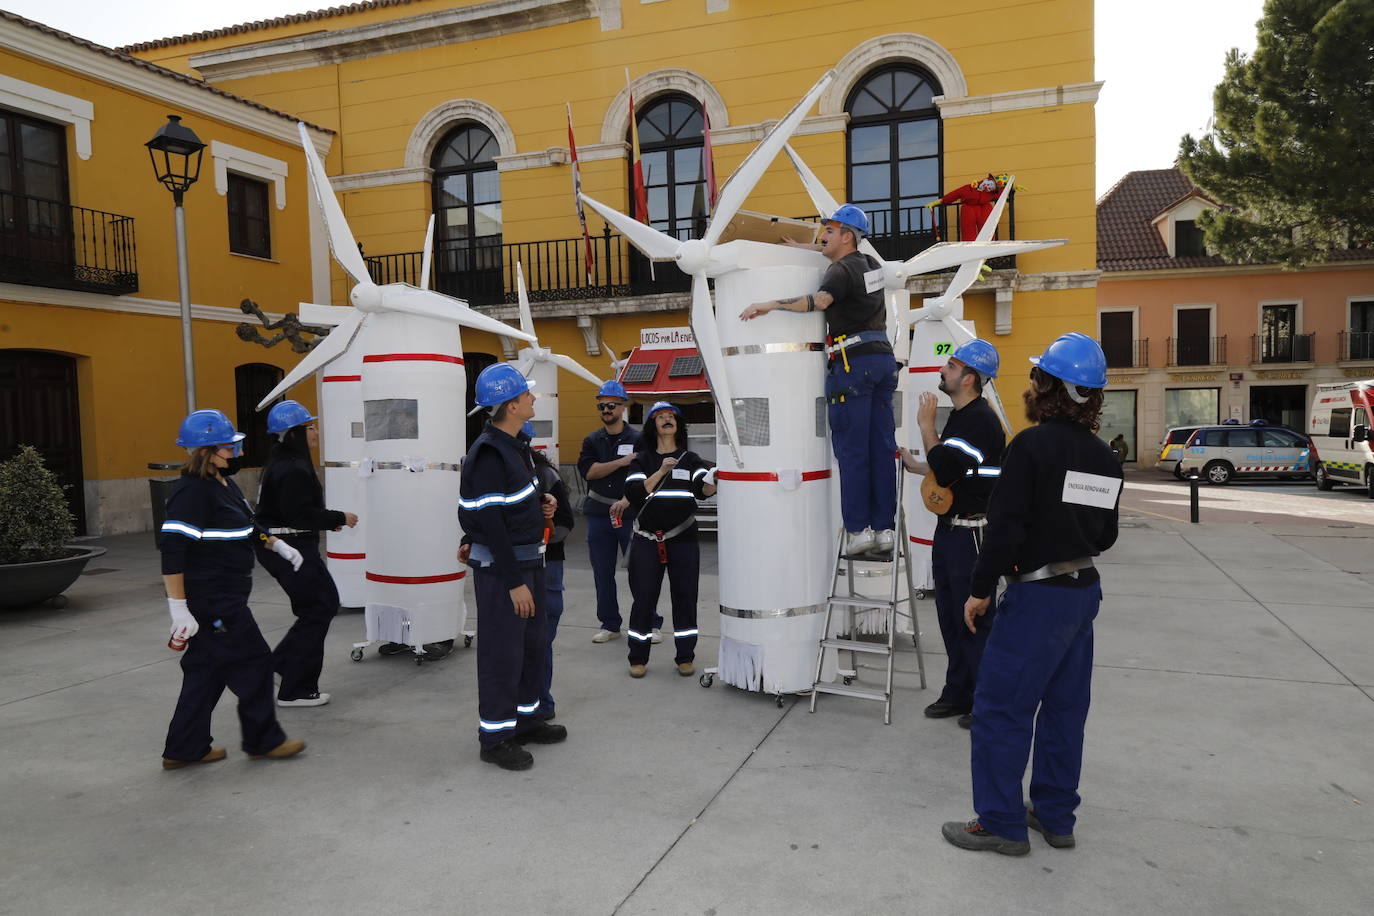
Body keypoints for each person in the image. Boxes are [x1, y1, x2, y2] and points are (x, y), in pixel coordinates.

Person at [941, 332, 1122, 856]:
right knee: (1065, 710)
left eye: (1037, 375)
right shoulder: (1105, 458)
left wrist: (979, 592)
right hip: (1082, 592)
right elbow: (1105, 537)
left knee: (1001, 709)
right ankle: (1055, 815)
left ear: (1048, 387)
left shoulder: (1032, 445)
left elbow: (1003, 529)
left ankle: (1000, 822)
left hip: (1037, 597)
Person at [740, 203, 899, 556]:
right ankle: (884, 530)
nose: (822, 235)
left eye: (829, 230)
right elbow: (843, 262)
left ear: (847, 236)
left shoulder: (840, 270)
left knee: (854, 452)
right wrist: (805, 250)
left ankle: (858, 532)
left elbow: (822, 299)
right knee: (881, 450)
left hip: (852, 365)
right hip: (882, 360)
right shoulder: (870, 265)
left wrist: (771, 303)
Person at [159, 408, 306, 770]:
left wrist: (275, 544)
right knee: (255, 663)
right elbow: (173, 552)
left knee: (205, 672)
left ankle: (184, 749)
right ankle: (263, 741)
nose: (237, 454)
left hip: (227, 595)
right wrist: (178, 609)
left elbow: (245, 526)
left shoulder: (222, 485)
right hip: (214, 600)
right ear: (206, 452)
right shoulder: (191, 493)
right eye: (229, 448)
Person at [458, 364, 566, 771]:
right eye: (527, 395)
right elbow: (489, 524)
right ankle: (496, 737)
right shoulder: (488, 453)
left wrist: (543, 506)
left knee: (532, 646)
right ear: (511, 405)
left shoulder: (515, 446)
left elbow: (509, 506)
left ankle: (526, 719)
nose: (533, 399)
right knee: (502, 654)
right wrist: (513, 582)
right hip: (507, 573)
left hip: (529, 564)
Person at [900, 339, 1005, 729]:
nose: (943, 371)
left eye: (951, 366)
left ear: (970, 378)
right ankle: (958, 691)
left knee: (974, 620)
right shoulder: (964, 417)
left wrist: (926, 427)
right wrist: (917, 466)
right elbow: (954, 470)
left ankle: (984, 701)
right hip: (952, 532)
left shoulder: (978, 418)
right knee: (949, 616)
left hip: (971, 536)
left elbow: (945, 467)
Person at [253, 400, 358, 707]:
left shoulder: (283, 462)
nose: (315, 431)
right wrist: (339, 518)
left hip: (288, 544)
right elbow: (299, 514)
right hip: (290, 549)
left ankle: (282, 665)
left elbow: (292, 511)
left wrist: (322, 522)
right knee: (319, 607)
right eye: (309, 427)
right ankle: (294, 688)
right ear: (294, 434)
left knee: (317, 607)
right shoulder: (294, 468)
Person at [622, 402, 716, 678]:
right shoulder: (642, 460)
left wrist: (717, 479)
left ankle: (685, 656)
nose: (666, 419)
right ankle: (637, 657)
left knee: (685, 598)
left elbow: (703, 489)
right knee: (644, 600)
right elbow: (635, 492)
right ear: (653, 426)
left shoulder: (690, 459)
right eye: (660, 417)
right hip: (647, 541)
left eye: (671, 416)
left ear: (678, 425)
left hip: (683, 540)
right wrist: (662, 471)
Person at [577, 380, 662, 644]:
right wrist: (622, 462)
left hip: (631, 513)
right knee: (602, 572)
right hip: (599, 513)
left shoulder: (639, 439)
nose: (606, 409)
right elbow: (589, 472)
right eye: (602, 405)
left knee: (641, 571)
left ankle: (650, 622)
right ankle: (610, 623)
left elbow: (648, 475)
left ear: (623, 407)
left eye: (611, 404)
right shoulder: (592, 440)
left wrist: (628, 497)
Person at [529, 428, 574, 721]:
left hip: (547, 566)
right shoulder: (497, 471)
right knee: (526, 640)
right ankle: (531, 704)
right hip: (516, 568)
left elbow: (566, 523)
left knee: (542, 637)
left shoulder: (545, 475)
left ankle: (541, 703)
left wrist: (544, 524)